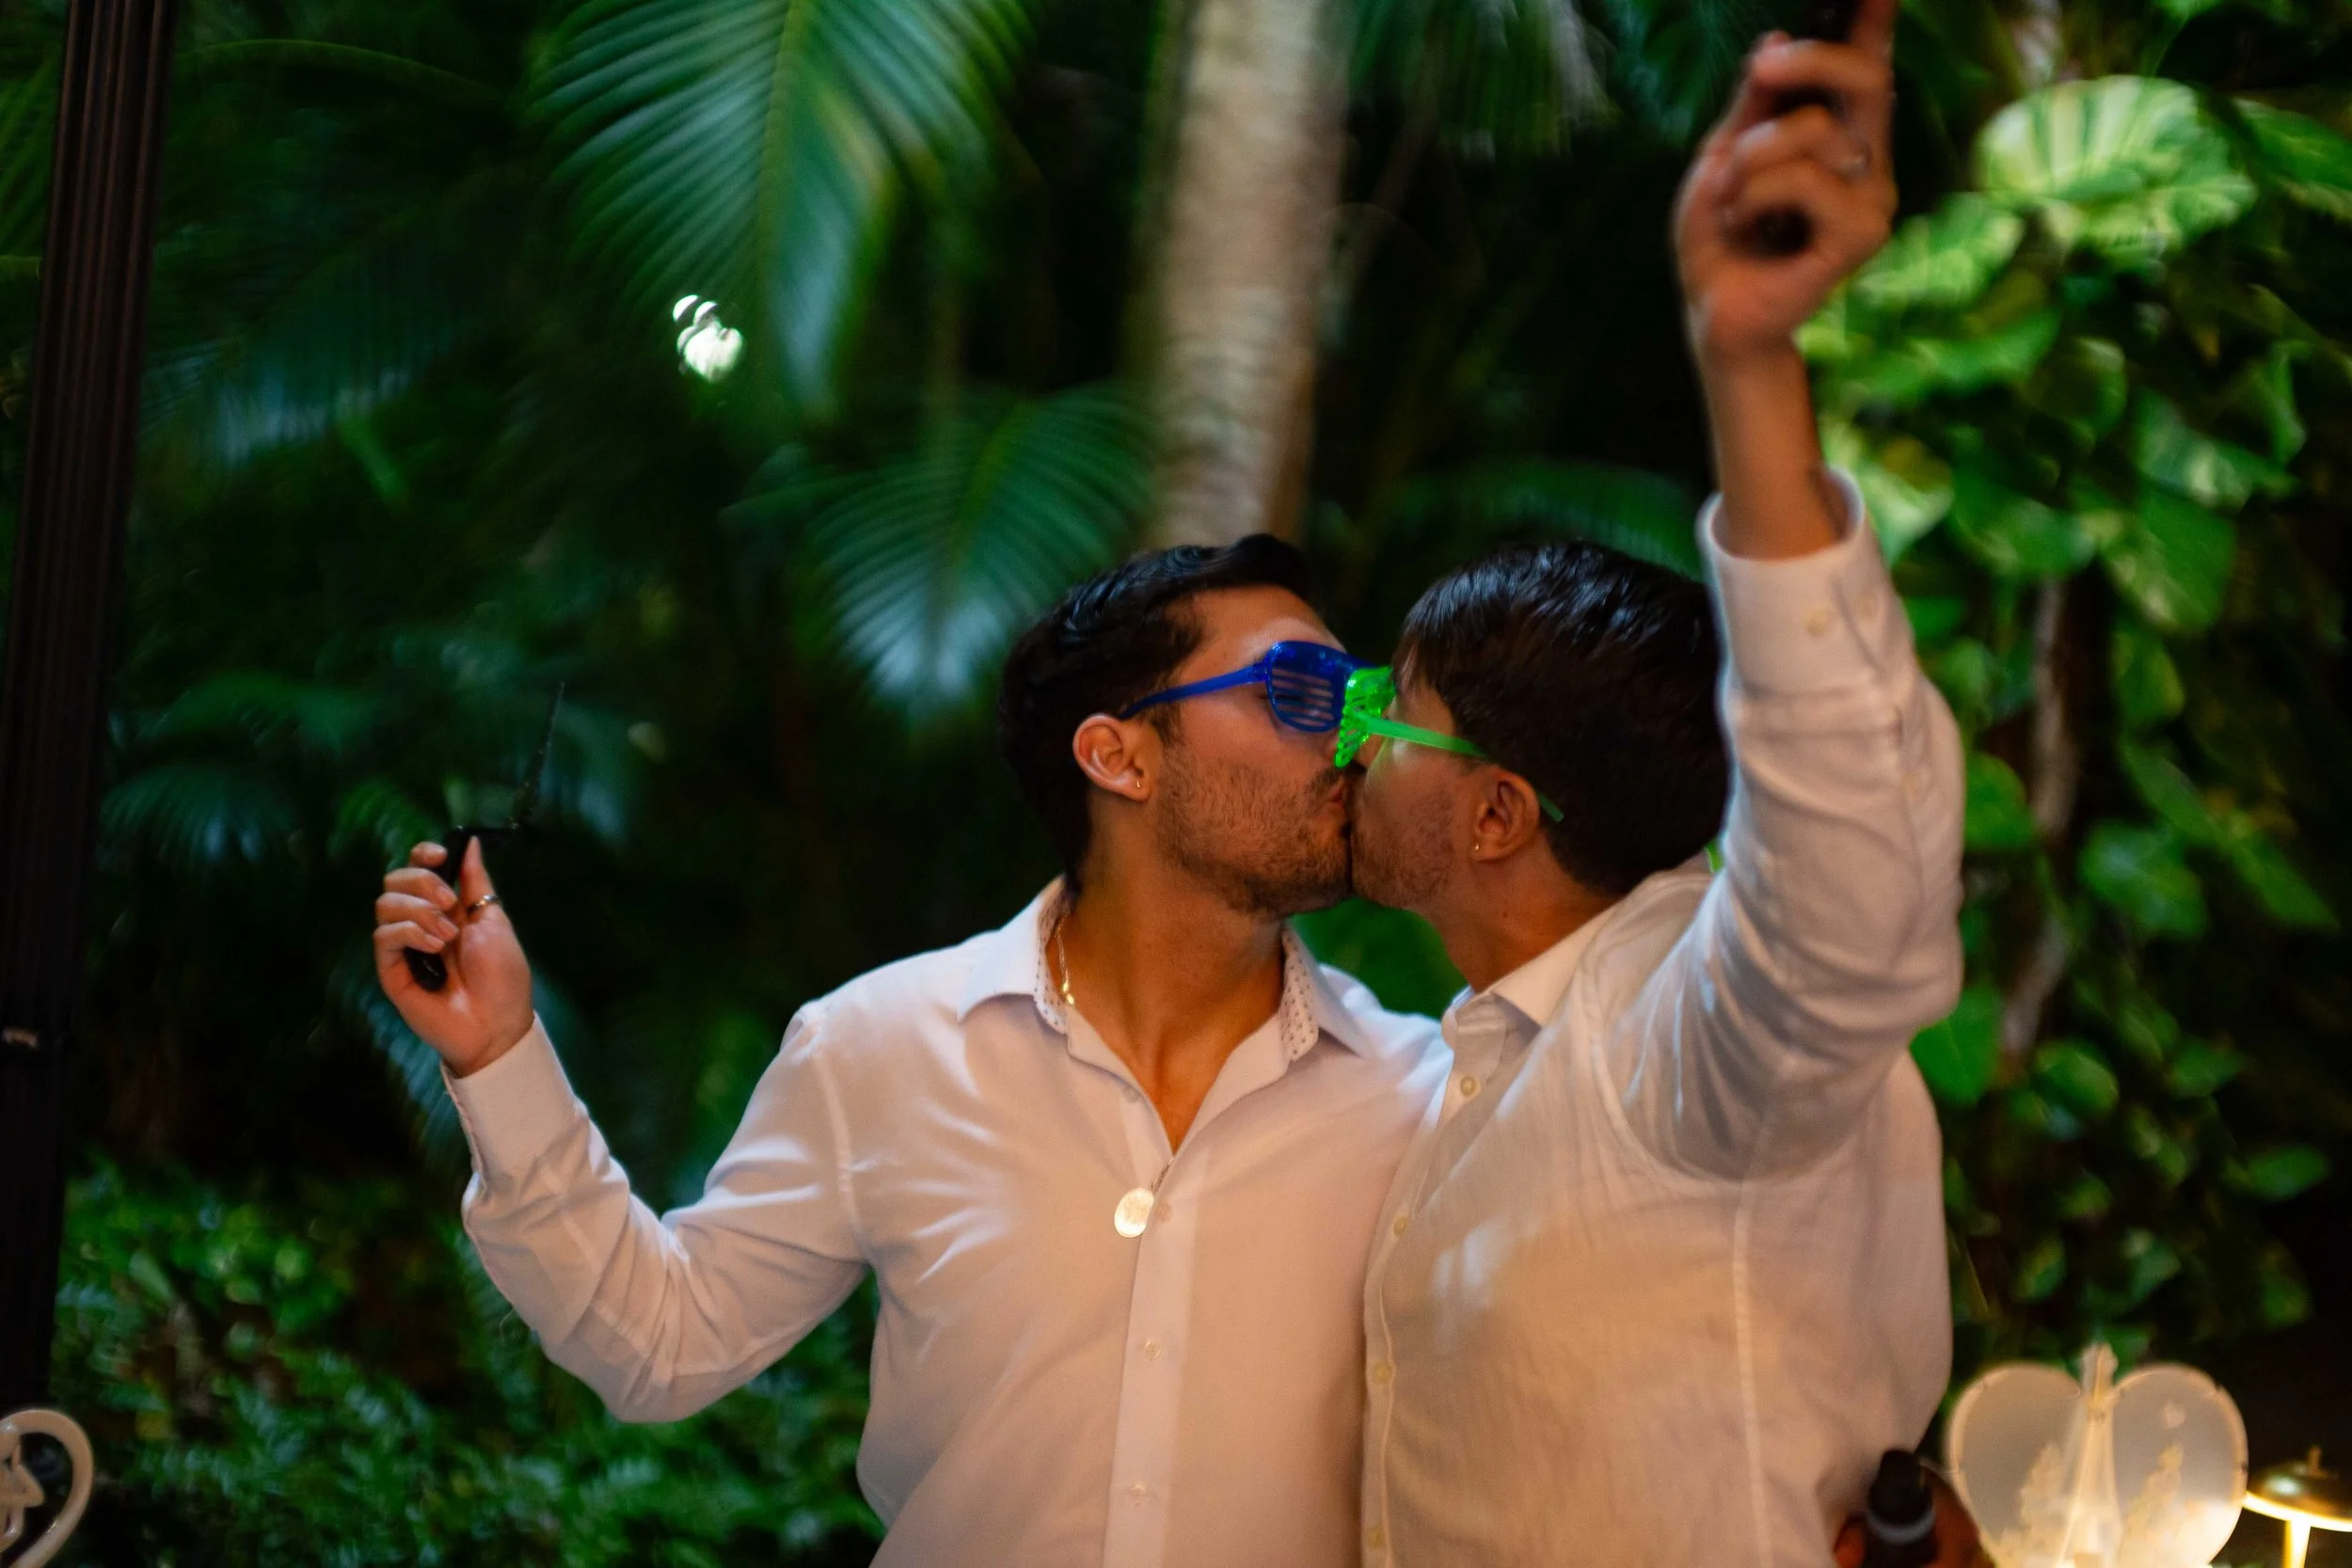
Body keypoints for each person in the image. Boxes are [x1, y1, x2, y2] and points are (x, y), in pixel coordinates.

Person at [373, 538, 1454, 1568]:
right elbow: (659, 1344)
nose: (1357, 735)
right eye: (1301, 689)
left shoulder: (1425, 1092)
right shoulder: (882, 1047)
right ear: (1116, 754)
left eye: (1357, 696)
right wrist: (501, 1051)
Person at [1341, 3, 1964, 1564]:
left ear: (1496, 810)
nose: (1347, 738)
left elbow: (1854, 903)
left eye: (1387, 711)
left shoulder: (1682, 1040)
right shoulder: (1449, 1068)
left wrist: (1752, 375)